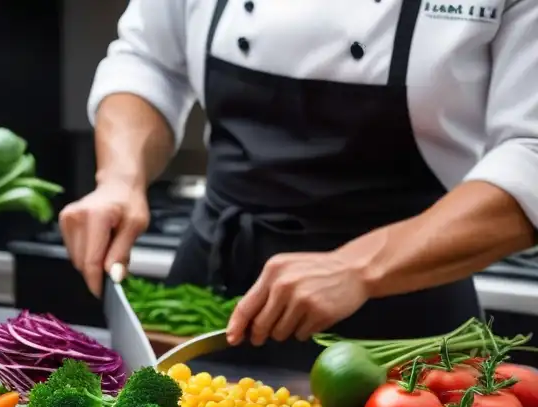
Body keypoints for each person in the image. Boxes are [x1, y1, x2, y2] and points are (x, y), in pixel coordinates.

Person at [60, 0, 538, 369]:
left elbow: (530, 154)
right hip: (213, 296)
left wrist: (357, 268)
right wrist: (120, 178)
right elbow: (149, 61)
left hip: (403, 328)